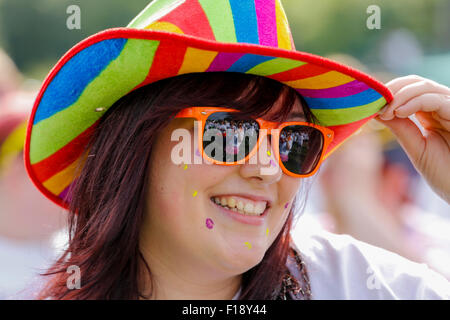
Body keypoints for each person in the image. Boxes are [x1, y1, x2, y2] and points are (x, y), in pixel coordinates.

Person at [23, 0, 449, 299]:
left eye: (293, 143)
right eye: (229, 133)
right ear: (137, 144)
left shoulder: (362, 285)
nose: (268, 170)